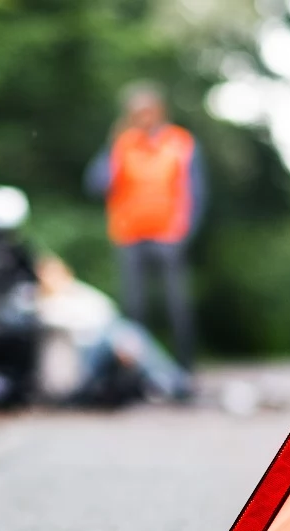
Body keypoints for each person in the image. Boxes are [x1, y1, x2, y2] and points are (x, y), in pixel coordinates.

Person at [84, 81, 207, 370]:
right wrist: (112, 147)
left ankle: (184, 370)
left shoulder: (180, 142)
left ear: (160, 110)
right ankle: (140, 373)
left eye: (147, 111)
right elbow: (96, 184)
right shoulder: (122, 144)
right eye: (136, 112)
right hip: (129, 235)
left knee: (177, 306)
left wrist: (185, 232)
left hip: (169, 235)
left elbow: (197, 191)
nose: (143, 117)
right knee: (134, 308)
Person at [34, 255, 191, 407]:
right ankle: (169, 381)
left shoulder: (79, 292)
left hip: (103, 342)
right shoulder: (40, 302)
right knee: (124, 333)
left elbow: (107, 311)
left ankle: (166, 381)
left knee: (126, 332)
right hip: (83, 355)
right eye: (48, 274)